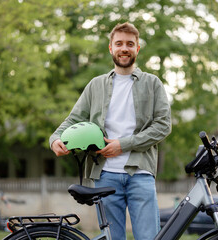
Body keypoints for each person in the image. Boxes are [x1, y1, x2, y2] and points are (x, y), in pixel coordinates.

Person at [49, 22, 172, 240]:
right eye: (119, 43)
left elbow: (163, 126)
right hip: (105, 175)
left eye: (130, 44)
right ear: (110, 48)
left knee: (149, 238)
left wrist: (123, 144)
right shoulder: (95, 85)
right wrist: (55, 139)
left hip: (140, 174)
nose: (124, 48)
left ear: (137, 49)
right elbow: (73, 119)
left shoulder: (152, 83)